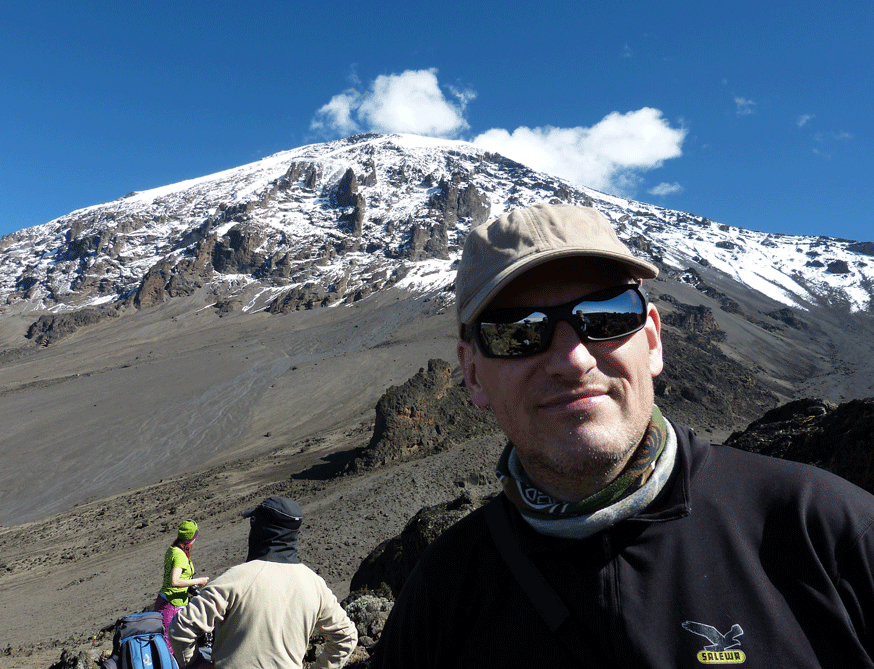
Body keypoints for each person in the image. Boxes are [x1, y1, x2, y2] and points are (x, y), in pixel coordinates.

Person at [373, 203, 874, 667]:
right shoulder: (443, 593)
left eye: (606, 316)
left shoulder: (826, 530)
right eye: (518, 331)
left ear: (652, 339)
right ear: (473, 374)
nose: (573, 359)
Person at [169, 496, 357, 669]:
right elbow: (346, 637)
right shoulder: (315, 585)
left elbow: (181, 627)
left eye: (253, 522)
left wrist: (197, 666)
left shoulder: (236, 579)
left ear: (261, 530)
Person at [154, 520, 211, 655]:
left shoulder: (172, 549)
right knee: (169, 644)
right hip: (172, 604)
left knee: (168, 641)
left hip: (167, 600)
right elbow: (175, 581)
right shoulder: (180, 555)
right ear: (193, 537)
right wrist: (198, 581)